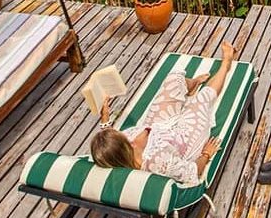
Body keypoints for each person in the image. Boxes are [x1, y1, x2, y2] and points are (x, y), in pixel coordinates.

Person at [90, 42, 237, 186]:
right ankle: (226, 64)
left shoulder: (115, 154)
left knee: (173, 79)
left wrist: (105, 117)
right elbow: (193, 172)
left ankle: (191, 84)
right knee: (202, 99)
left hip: (157, 125)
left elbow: (107, 146)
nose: (127, 137)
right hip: (184, 139)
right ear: (126, 149)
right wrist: (206, 154)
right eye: (125, 140)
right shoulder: (157, 163)